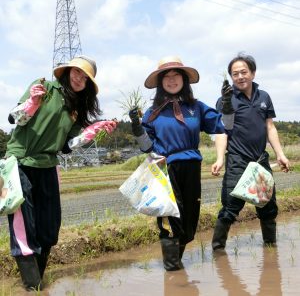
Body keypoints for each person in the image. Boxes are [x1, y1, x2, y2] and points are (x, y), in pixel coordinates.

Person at [5, 55, 117, 291]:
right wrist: (33, 103)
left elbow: (67, 145)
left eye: (85, 77)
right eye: (77, 72)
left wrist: (92, 132)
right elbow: (15, 119)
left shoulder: (75, 107)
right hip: (21, 163)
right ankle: (32, 286)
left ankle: (38, 282)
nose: (80, 78)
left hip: (48, 165)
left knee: (49, 226)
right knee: (25, 226)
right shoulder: (44, 86)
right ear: (67, 71)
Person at [129, 56, 234, 271]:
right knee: (170, 217)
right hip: (164, 167)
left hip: (191, 167)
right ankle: (173, 269)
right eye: (166, 76)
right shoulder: (153, 112)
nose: (171, 79)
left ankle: (176, 272)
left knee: (189, 219)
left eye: (176, 74)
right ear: (160, 83)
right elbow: (146, 147)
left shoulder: (196, 107)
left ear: (184, 79)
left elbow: (224, 127)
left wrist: (228, 106)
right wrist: (137, 128)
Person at [211, 53, 290, 252]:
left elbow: (270, 127)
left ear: (253, 73)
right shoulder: (225, 100)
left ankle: (270, 248)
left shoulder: (264, 97)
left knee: (268, 207)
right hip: (237, 160)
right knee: (230, 207)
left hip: (260, 160)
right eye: (235, 74)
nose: (239, 77)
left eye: (243, 72)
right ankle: (218, 252)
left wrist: (280, 154)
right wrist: (220, 158)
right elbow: (222, 131)